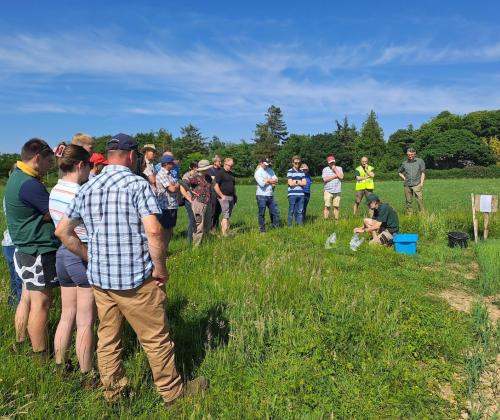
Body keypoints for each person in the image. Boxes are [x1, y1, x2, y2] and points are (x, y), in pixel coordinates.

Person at [55, 133, 208, 404]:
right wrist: (159, 269)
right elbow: (153, 230)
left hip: (101, 281)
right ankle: (172, 394)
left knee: (108, 338)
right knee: (155, 338)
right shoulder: (136, 185)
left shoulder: (88, 187)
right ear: (130, 156)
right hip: (135, 280)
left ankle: (115, 392)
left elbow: (63, 231)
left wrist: (89, 256)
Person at [4, 138, 59, 356]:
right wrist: (46, 217)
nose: (49, 167)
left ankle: (20, 340)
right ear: (37, 158)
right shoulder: (29, 184)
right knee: (41, 303)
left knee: (26, 298)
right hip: (36, 250)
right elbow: (54, 212)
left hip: (24, 249)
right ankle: (40, 353)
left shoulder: (17, 176)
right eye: (48, 162)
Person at [49, 144, 96, 376]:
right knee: (85, 321)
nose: (90, 171)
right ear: (80, 165)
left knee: (67, 314)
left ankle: (61, 364)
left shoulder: (56, 189)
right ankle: (87, 373)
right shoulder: (80, 192)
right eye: (89, 166)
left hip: (62, 254)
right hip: (80, 253)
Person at [2, 164, 22, 306]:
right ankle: (18, 313)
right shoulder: (17, 194)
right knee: (19, 281)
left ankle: (12, 306)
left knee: (14, 280)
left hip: (7, 242)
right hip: (15, 243)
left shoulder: (8, 194)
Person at [156, 155, 180, 252]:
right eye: (171, 163)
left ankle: (165, 250)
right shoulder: (162, 174)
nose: (173, 165)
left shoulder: (169, 174)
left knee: (170, 230)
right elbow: (172, 189)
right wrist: (178, 185)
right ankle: (162, 252)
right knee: (165, 231)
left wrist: (176, 185)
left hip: (172, 205)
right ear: (166, 164)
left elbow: (174, 187)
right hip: (166, 206)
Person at [254, 157, 280, 232]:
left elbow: (276, 180)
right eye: (265, 164)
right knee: (262, 213)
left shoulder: (270, 170)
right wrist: (271, 181)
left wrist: (267, 180)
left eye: (268, 164)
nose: (267, 165)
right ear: (261, 163)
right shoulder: (258, 172)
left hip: (270, 195)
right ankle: (262, 230)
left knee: (275, 212)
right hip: (261, 195)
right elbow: (262, 184)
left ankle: (276, 228)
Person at [399, 148, 425, 213]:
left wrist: (421, 183)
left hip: (417, 184)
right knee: (408, 201)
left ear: (414, 154)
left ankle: (422, 215)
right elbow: (399, 172)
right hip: (407, 185)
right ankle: (409, 215)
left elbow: (423, 172)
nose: (410, 156)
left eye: (411, 154)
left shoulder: (420, 161)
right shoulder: (404, 163)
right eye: (408, 154)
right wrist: (404, 178)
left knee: (419, 200)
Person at [214, 158, 236, 237]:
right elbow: (215, 186)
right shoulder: (220, 173)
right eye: (230, 165)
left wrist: (235, 196)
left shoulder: (231, 174)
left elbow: (233, 186)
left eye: (232, 166)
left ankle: (226, 231)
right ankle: (224, 234)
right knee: (226, 215)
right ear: (225, 164)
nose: (231, 167)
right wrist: (222, 196)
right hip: (224, 197)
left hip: (231, 197)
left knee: (228, 215)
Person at [179, 161, 198, 244]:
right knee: (192, 220)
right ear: (192, 168)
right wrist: (190, 200)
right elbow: (182, 187)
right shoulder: (186, 176)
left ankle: (197, 238)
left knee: (198, 219)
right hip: (189, 201)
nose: (196, 169)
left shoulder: (198, 175)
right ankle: (190, 240)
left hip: (198, 201)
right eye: (195, 168)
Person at [322, 155, 344, 220]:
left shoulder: (339, 168)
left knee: (336, 206)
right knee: (327, 206)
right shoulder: (325, 169)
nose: (332, 163)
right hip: (328, 191)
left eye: (333, 162)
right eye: (330, 162)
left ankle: (336, 220)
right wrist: (335, 176)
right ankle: (325, 220)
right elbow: (325, 179)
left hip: (337, 190)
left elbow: (341, 177)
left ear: (335, 162)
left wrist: (335, 169)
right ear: (328, 163)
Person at [287, 155, 306, 226]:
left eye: (298, 163)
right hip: (292, 195)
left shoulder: (302, 172)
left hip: (301, 194)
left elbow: (304, 183)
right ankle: (289, 226)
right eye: (295, 163)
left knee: (300, 211)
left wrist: (295, 181)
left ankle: (300, 226)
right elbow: (290, 183)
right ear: (292, 163)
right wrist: (299, 182)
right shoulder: (289, 171)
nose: (297, 164)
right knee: (291, 211)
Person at [208, 155, 223, 231]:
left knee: (218, 210)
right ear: (214, 162)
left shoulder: (221, 170)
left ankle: (216, 227)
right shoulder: (210, 170)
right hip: (213, 193)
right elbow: (214, 182)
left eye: (220, 161)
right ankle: (211, 228)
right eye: (219, 161)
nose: (220, 162)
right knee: (213, 211)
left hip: (221, 192)